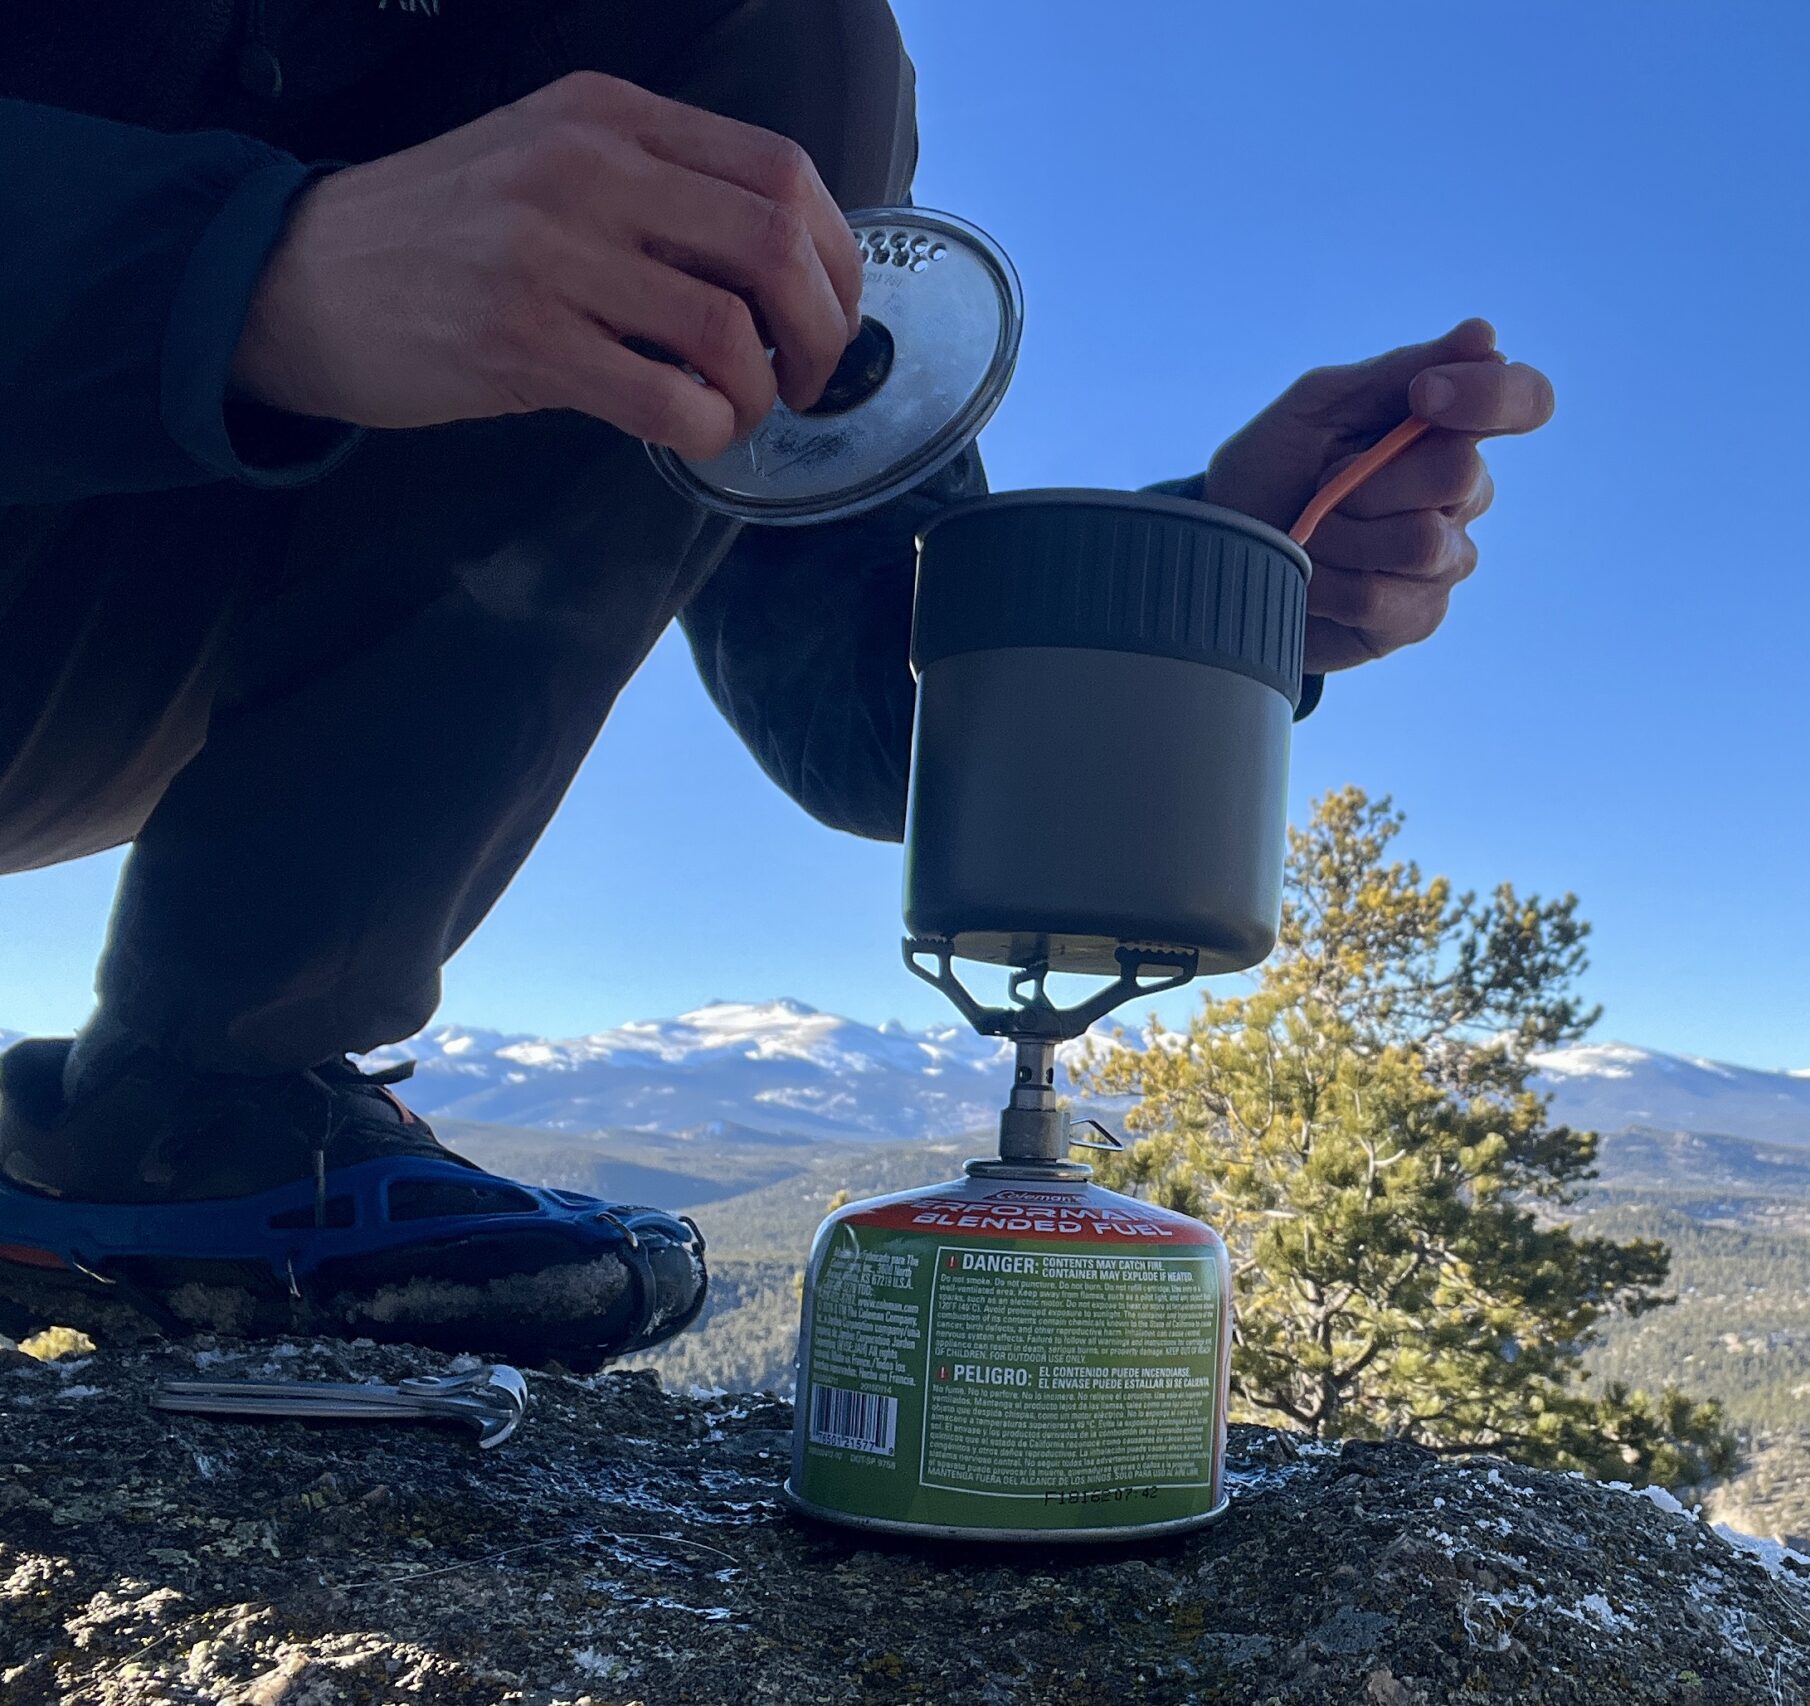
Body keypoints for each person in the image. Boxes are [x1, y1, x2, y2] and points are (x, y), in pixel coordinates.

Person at [0, 0, 1556, 1368]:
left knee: (793, 52)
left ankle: (197, 1115)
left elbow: (872, 692)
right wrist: (263, 278)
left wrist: (1218, 573)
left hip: (121, 653)